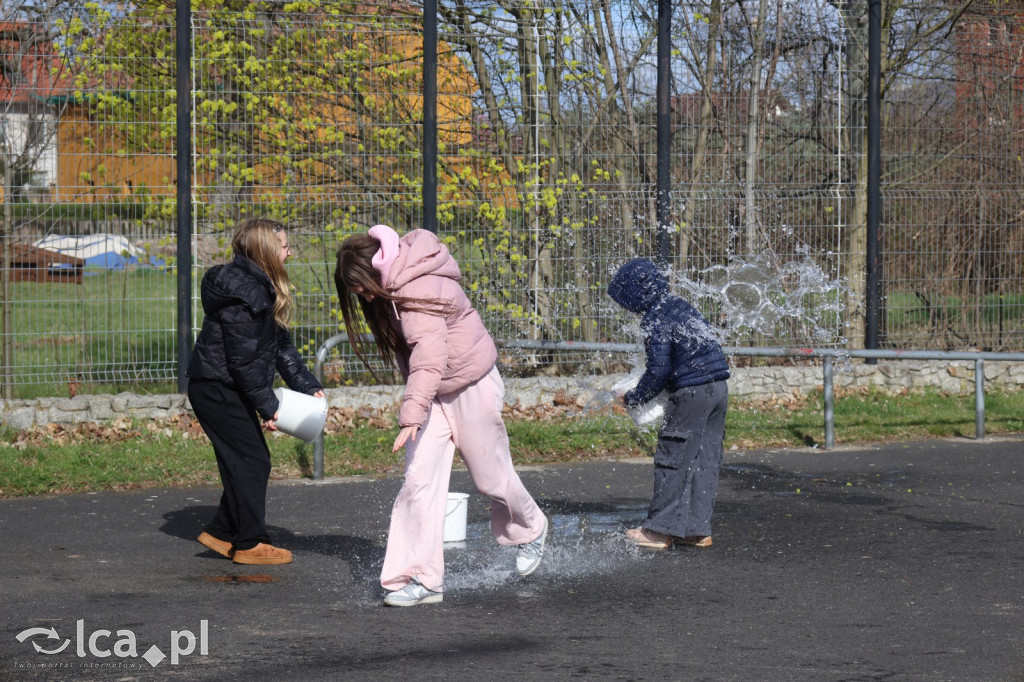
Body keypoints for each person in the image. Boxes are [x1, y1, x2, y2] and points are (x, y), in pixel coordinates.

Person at [334, 224, 548, 607]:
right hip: (433, 393)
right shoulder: (393, 288)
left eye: (364, 288)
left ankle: (531, 528)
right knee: (418, 482)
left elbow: (430, 359)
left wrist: (411, 416)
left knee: (492, 478)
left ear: (377, 269)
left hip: (471, 383)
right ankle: (421, 578)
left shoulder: (416, 288)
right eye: (358, 293)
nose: (365, 297)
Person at [187, 218, 324, 565]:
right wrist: (268, 407)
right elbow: (243, 363)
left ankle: (221, 531)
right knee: (252, 461)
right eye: (284, 246)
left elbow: (279, 347)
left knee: (244, 461)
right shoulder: (246, 294)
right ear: (265, 250)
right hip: (218, 388)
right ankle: (249, 543)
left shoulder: (258, 288)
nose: (289, 252)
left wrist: (308, 386)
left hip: (223, 386)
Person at [607, 258, 730, 550]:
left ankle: (658, 531)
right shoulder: (681, 306)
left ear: (635, 295)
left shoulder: (654, 319)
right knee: (704, 461)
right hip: (718, 389)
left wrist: (633, 398)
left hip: (691, 395)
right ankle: (697, 530)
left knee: (673, 459)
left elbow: (659, 371)